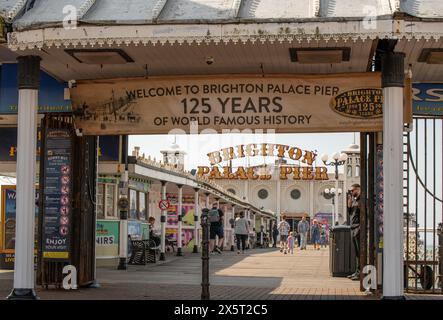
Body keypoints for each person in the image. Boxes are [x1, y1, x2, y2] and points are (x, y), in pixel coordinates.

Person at [347, 183, 361, 280]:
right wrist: (349, 202)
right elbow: (350, 213)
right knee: (356, 252)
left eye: (353, 190)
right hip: (353, 227)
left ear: (358, 189)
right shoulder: (354, 201)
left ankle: (360, 272)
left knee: (360, 252)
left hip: (358, 228)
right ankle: (357, 271)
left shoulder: (362, 200)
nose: (351, 192)